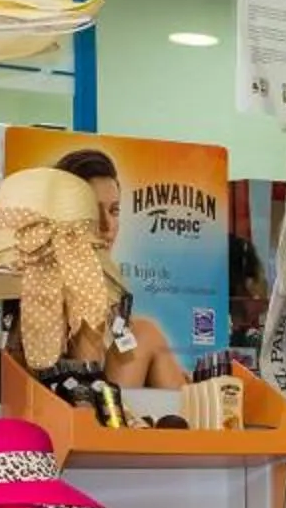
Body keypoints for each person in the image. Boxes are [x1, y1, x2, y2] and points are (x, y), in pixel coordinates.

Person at [49, 148, 188, 389]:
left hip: (109, 406)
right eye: (93, 211)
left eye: (114, 211)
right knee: (146, 333)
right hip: (81, 408)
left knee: (146, 335)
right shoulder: (48, 282)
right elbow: (85, 380)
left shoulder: (109, 286)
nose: (107, 225)